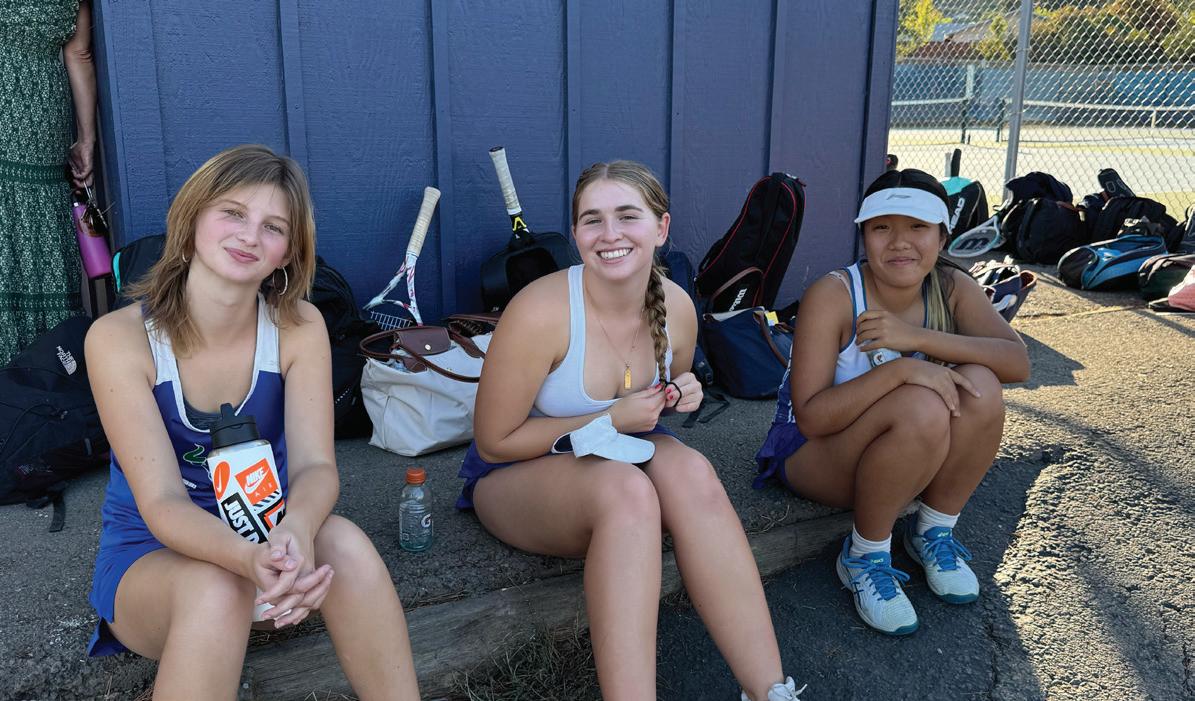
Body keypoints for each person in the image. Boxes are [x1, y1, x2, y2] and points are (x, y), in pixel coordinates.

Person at [459, 161, 806, 701]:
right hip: (515, 475)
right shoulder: (540, 312)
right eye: (592, 220)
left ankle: (769, 690)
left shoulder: (678, 308)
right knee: (628, 494)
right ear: (575, 234)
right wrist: (610, 419)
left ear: (661, 228)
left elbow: (662, 401)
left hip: (614, 451)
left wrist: (681, 393)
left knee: (692, 471)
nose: (610, 234)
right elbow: (494, 441)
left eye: (627, 216)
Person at [85, 145, 420, 700]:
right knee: (216, 587)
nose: (249, 236)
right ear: (192, 219)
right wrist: (246, 558)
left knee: (347, 546)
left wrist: (296, 531)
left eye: (273, 227)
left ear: (289, 252)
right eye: (233, 213)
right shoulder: (119, 339)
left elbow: (316, 467)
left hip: (269, 545)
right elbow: (162, 502)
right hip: (156, 562)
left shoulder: (299, 325)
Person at [755, 168, 1030, 636]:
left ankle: (932, 531)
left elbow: (1017, 362)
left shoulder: (950, 285)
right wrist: (902, 370)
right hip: (811, 456)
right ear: (864, 235)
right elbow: (812, 418)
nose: (900, 242)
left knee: (981, 384)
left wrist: (915, 338)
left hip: (901, 455)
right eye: (882, 227)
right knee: (921, 402)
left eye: (917, 227)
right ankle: (864, 556)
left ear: (942, 236)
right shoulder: (835, 293)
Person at [0, 0, 96, 364]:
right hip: (43, 107)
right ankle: (47, 364)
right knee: (38, 220)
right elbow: (79, 53)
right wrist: (87, 139)